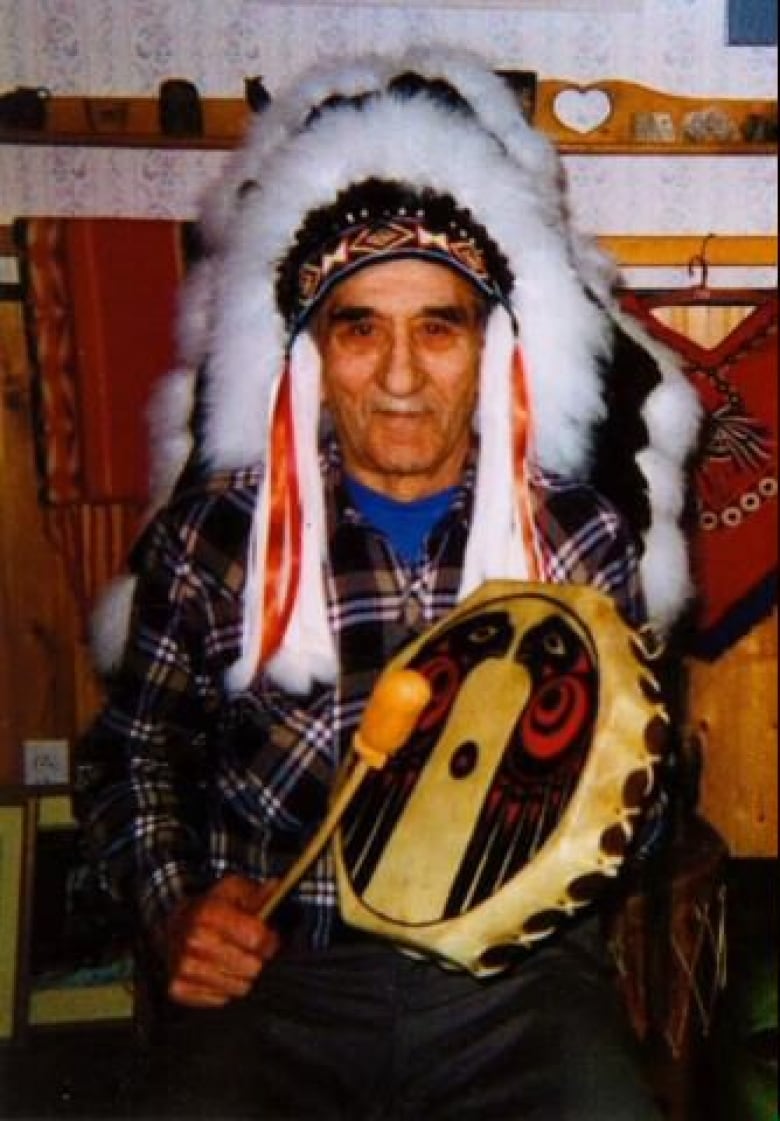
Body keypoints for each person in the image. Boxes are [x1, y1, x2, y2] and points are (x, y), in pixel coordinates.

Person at [74, 46, 702, 1120]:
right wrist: (178, 906)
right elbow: (129, 758)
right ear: (310, 354)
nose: (402, 376)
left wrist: (601, 802)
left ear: (491, 348)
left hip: (513, 984)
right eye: (360, 328)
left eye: (438, 328)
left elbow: (637, 802)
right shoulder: (219, 530)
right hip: (277, 971)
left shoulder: (579, 534)